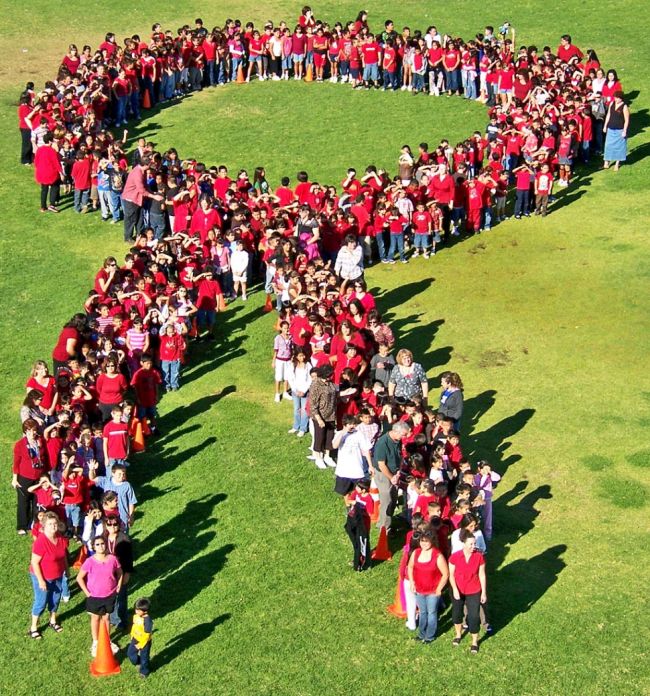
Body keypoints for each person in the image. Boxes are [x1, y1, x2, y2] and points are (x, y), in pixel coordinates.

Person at [77, 535, 123, 656]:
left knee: (106, 618)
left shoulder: (112, 559)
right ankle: (96, 642)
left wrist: (118, 585)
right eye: (97, 544)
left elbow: (120, 572)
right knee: (95, 618)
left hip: (109, 595)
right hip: (94, 597)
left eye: (102, 543)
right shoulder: (89, 561)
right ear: (93, 547)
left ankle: (107, 640)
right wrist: (87, 593)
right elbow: (79, 578)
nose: (100, 546)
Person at [28, 511, 68, 639]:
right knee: (41, 601)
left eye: (55, 523)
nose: (53, 526)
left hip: (58, 575)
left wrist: (66, 569)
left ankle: (52, 621)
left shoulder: (60, 538)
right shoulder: (40, 542)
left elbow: (63, 556)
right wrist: (41, 580)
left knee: (55, 599)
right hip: (42, 576)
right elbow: (34, 562)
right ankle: (33, 627)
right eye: (50, 524)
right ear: (44, 526)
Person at [449, 529, 488, 653]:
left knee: (473, 616)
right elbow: (451, 575)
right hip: (458, 588)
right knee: (457, 613)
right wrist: (455, 589)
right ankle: (458, 634)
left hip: (473, 589)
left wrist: (483, 592)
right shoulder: (455, 557)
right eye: (470, 544)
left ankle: (474, 641)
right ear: (464, 543)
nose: (473, 546)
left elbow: (482, 575)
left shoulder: (479, 556)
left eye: (474, 543)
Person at [407, 529, 449, 643]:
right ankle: (421, 634)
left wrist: (439, 589)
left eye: (426, 541)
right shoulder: (416, 553)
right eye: (422, 541)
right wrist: (412, 581)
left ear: (432, 541)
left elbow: (445, 574)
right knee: (422, 612)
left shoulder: (438, 556)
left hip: (433, 592)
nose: (424, 543)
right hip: (419, 590)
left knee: (431, 613)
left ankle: (429, 636)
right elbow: (410, 567)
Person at [371, 421, 411, 531]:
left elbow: (399, 455)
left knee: (393, 499)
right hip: (384, 475)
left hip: (394, 473)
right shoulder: (382, 444)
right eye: (404, 434)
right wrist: (391, 477)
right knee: (386, 501)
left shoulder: (397, 440)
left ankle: (388, 521)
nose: (405, 437)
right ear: (396, 431)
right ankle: (384, 528)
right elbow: (381, 464)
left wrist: (398, 471)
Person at [13, 419, 49, 534]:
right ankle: (22, 525)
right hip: (25, 476)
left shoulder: (40, 441)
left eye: (33, 430)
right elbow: (16, 463)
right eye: (29, 431)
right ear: (25, 432)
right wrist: (15, 478)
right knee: (24, 501)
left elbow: (45, 458)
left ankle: (35, 523)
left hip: (38, 476)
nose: (32, 433)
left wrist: (45, 474)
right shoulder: (20, 445)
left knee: (37, 501)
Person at [121, 155, 164, 243]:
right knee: (131, 220)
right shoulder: (137, 173)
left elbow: (145, 185)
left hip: (138, 199)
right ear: (146, 165)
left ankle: (139, 235)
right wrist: (154, 196)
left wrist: (152, 192)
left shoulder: (142, 171)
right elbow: (141, 190)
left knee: (140, 219)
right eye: (149, 164)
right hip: (131, 199)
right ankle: (128, 237)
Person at [105, 517, 134, 630]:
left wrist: (127, 574)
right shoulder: (104, 537)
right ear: (106, 525)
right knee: (111, 597)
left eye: (115, 524)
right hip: (108, 573)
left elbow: (129, 559)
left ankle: (122, 620)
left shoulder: (124, 538)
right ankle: (113, 618)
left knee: (121, 597)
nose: (113, 527)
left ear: (119, 525)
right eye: (110, 524)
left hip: (121, 572)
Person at [89, 463, 138, 531]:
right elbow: (93, 478)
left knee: (122, 537)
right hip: (107, 516)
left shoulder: (127, 486)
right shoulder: (107, 481)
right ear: (113, 473)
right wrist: (91, 469)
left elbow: (131, 501)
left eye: (123, 474)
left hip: (122, 517)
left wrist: (131, 516)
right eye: (119, 474)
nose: (122, 476)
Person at [332, 415, 373, 493]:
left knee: (359, 490)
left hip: (357, 470)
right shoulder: (339, 434)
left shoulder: (359, 434)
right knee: (343, 492)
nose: (353, 426)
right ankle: (348, 504)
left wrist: (370, 466)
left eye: (354, 424)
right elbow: (334, 446)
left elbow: (366, 450)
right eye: (350, 424)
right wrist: (343, 433)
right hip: (343, 470)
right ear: (345, 425)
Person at [309, 364, 338, 470]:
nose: (330, 378)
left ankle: (327, 456)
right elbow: (312, 404)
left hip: (331, 415)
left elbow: (335, 393)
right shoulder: (315, 385)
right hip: (319, 416)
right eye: (328, 376)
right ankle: (318, 458)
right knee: (319, 437)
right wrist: (319, 419)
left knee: (329, 437)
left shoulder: (330, 384)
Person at [286, 349, 312, 436]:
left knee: (304, 410)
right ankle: (296, 426)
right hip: (295, 391)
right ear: (296, 356)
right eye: (300, 356)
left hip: (304, 391)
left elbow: (310, 379)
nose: (302, 357)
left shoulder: (308, 365)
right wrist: (295, 389)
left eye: (303, 355)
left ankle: (303, 428)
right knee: (296, 409)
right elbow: (290, 378)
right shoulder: (293, 365)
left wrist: (304, 390)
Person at [603, 91, 630, 171]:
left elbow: (627, 120)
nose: (616, 99)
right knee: (608, 145)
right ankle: (606, 161)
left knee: (619, 147)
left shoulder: (624, 107)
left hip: (620, 129)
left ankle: (617, 163)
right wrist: (605, 126)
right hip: (611, 128)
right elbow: (608, 115)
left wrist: (624, 130)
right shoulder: (612, 104)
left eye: (617, 98)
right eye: (615, 97)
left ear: (621, 98)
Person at [128, 597, 153, 678]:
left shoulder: (148, 621)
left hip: (144, 642)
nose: (136, 611)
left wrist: (141, 644)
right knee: (130, 654)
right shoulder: (136, 616)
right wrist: (132, 635)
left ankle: (144, 671)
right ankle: (138, 662)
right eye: (136, 609)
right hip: (135, 639)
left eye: (138, 610)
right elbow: (134, 626)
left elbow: (147, 635)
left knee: (144, 657)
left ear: (145, 611)